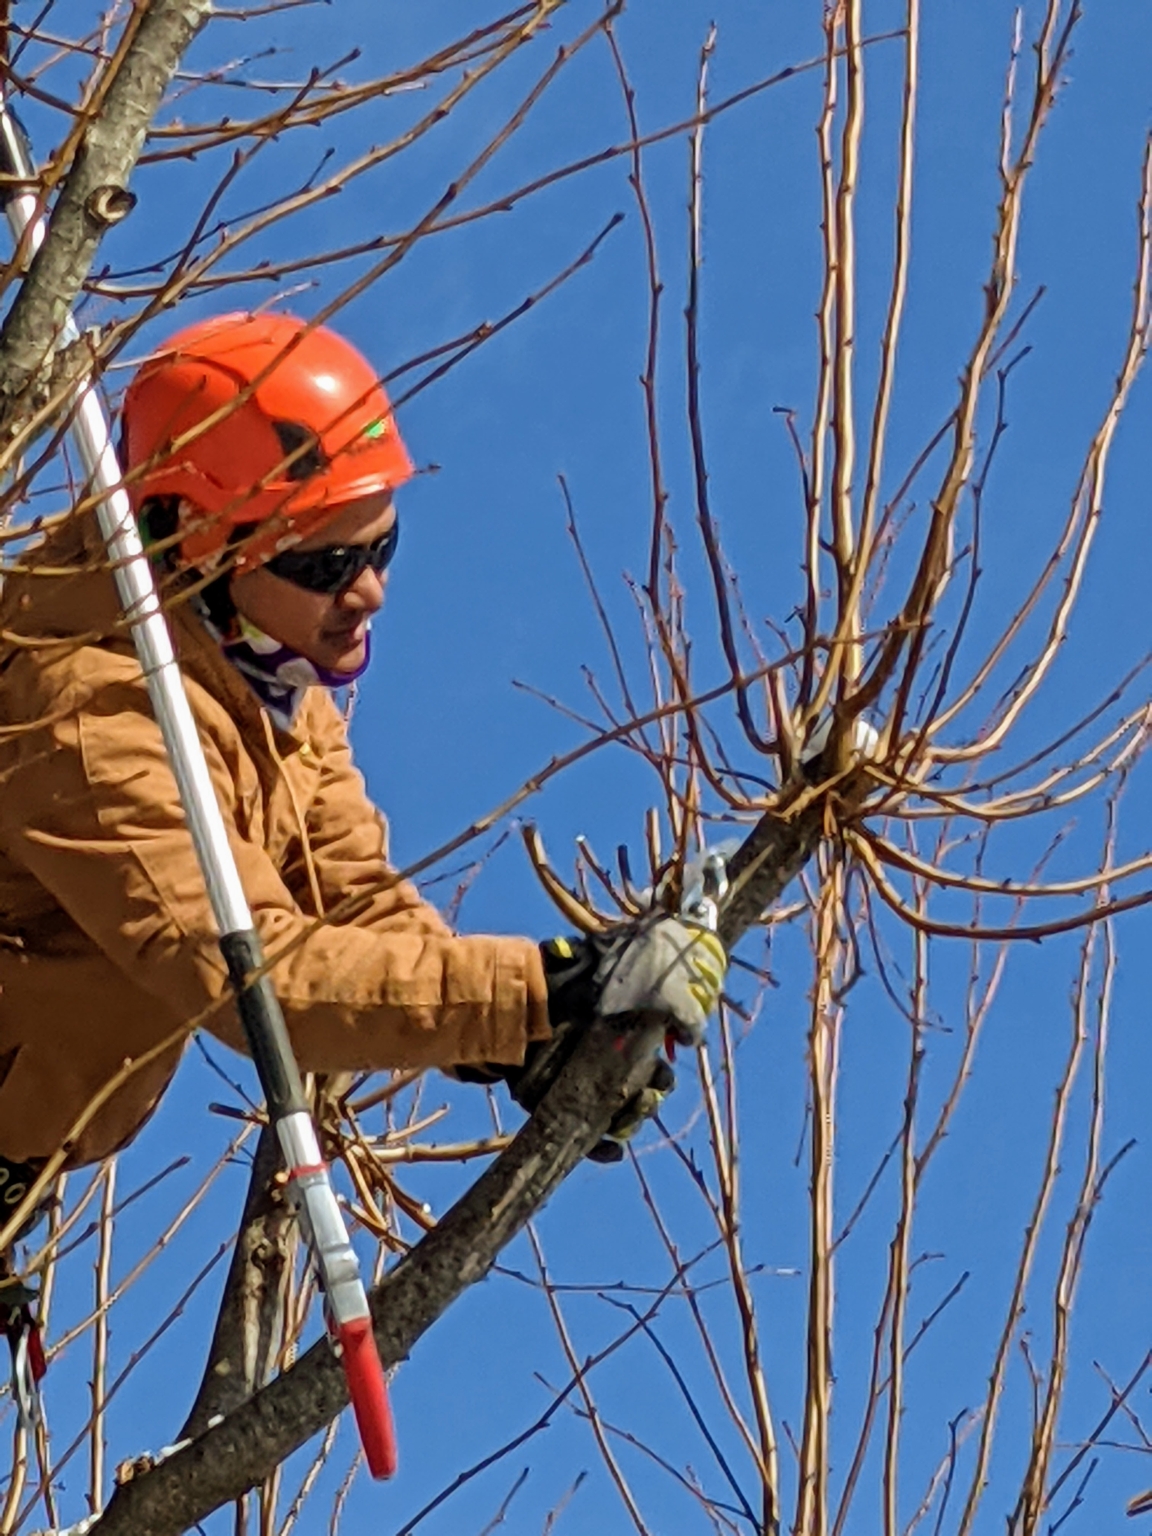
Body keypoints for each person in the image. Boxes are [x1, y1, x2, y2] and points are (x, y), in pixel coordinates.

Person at [0, 311, 725, 1208]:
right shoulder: (87, 713)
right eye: (326, 564)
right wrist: (538, 989)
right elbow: (257, 980)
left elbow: (349, 892)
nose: (369, 592)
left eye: (382, 548)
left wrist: (519, 1030)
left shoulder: (260, 669)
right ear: (194, 538)